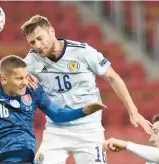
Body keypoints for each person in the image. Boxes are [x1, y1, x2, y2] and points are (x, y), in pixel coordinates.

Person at [21, 15, 153, 164]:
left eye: (40, 38)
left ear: (52, 31)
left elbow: (112, 77)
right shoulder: (30, 62)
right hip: (56, 130)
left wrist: (133, 111)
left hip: (89, 129)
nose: (37, 45)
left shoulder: (83, 51)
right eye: (32, 42)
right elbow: (14, 84)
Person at [0, 55, 106, 164]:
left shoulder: (33, 90)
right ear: (4, 79)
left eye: (26, 76)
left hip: (25, 155)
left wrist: (83, 111)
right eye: (19, 78)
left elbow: (57, 115)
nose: (25, 82)